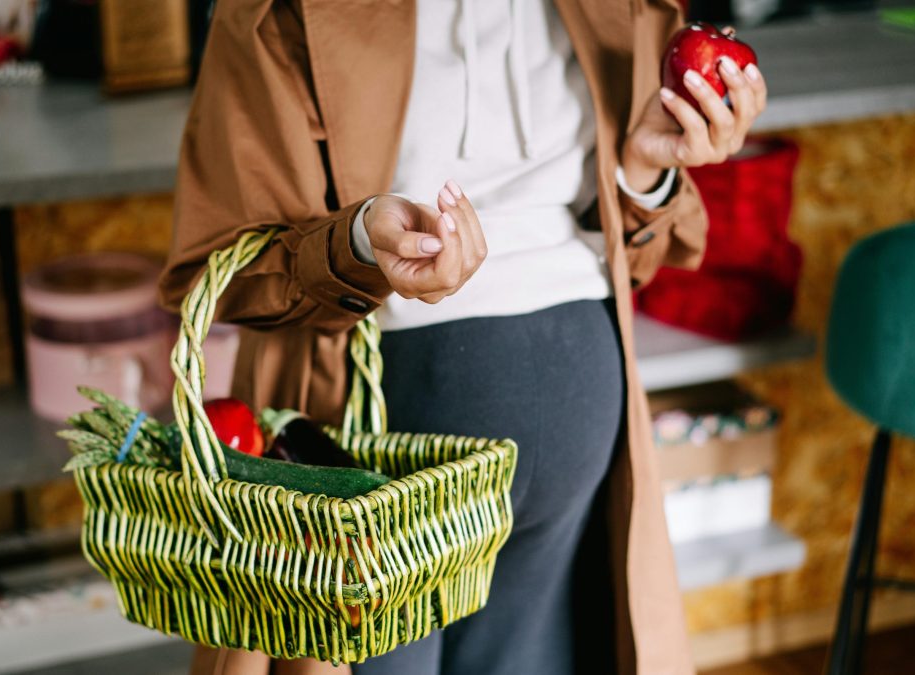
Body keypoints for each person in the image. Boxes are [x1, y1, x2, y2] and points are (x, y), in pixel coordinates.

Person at [157, 1, 767, 674]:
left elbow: (637, 250)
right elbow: (224, 266)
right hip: (378, 450)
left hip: (578, 418)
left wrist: (644, 172)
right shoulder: (279, 12)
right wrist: (359, 241)